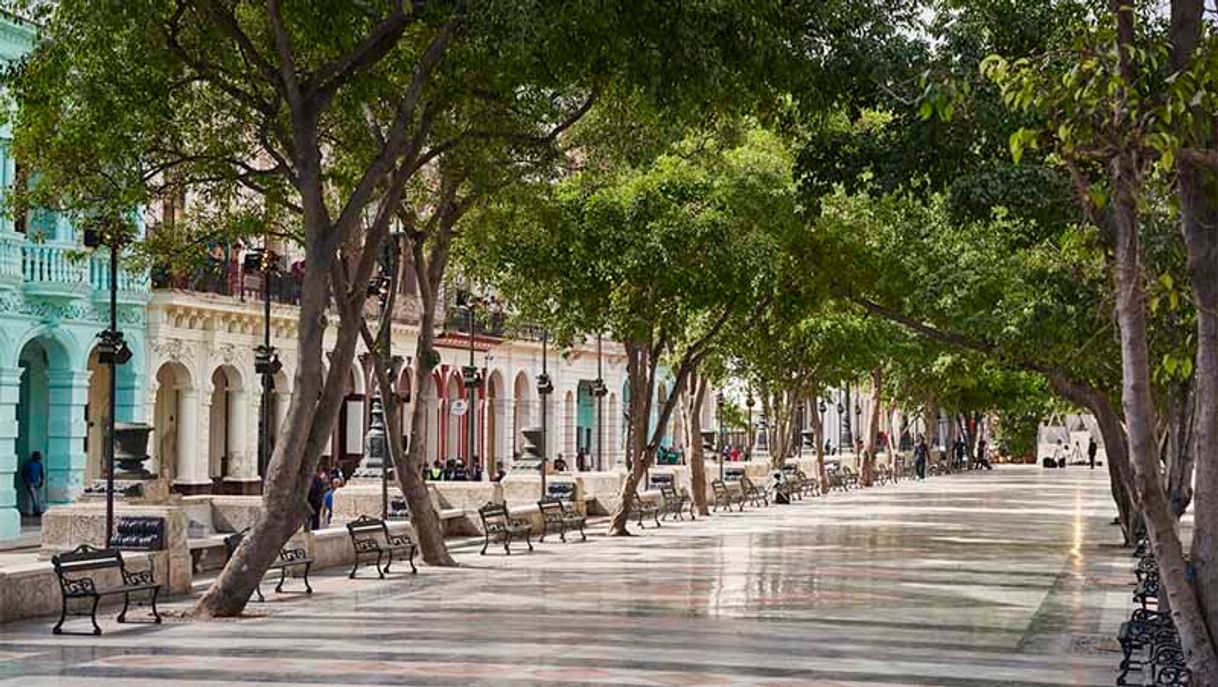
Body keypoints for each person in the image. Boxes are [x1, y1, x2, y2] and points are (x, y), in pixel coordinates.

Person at [22, 452, 44, 517]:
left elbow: (42, 474)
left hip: (36, 483)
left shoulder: (39, 464)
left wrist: (41, 481)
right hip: (31, 483)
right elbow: (24, 474)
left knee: (37, 497)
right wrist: (27, 482)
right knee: (34, 497)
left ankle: (36, 510)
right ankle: (36, 511)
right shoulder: (29, 464)